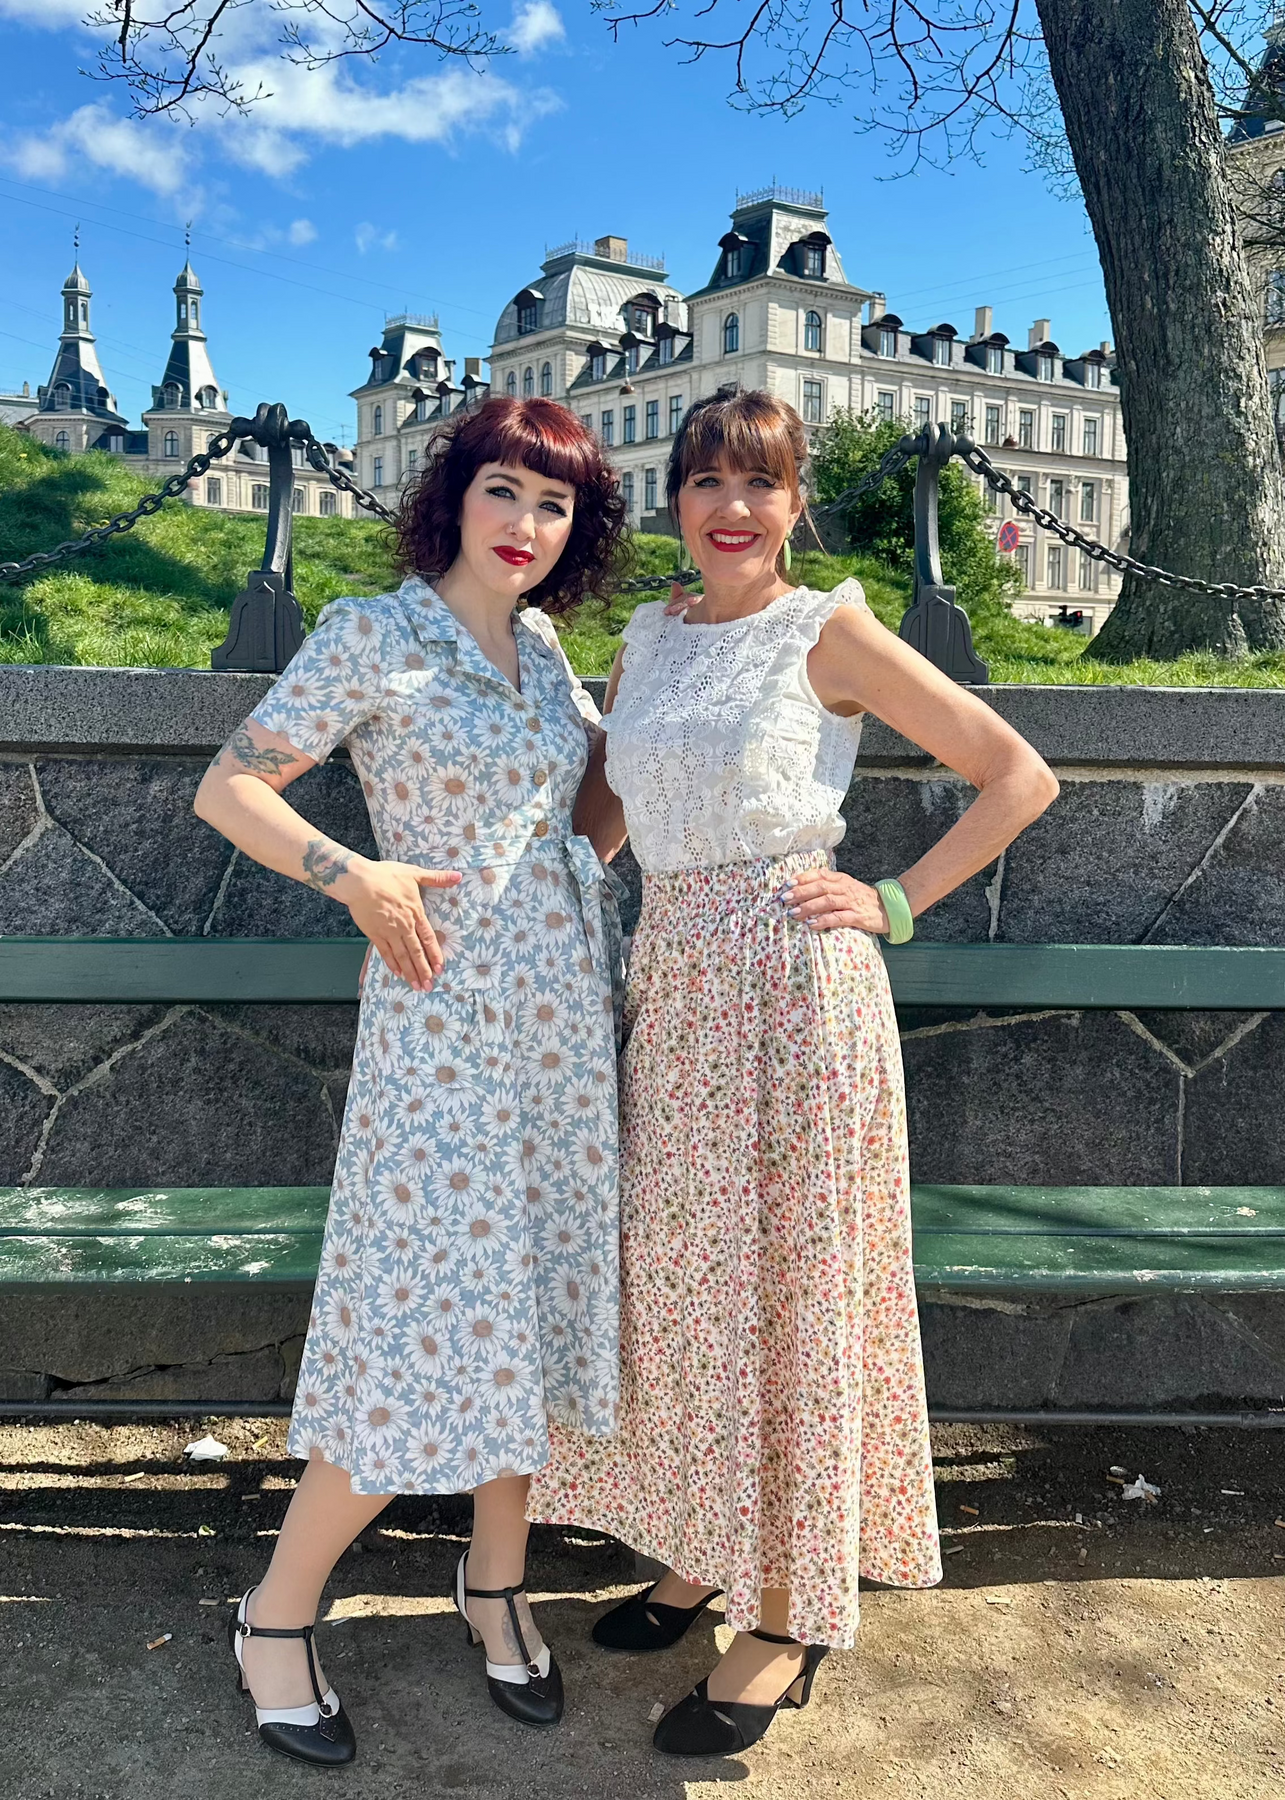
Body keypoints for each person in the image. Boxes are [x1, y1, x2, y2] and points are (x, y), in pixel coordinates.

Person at [529, 386, 1060, 1758]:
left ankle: (785, 1612)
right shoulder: (651, 636)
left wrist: (894, 901)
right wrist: (520, 898)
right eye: (707, 481)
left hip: (791, 995)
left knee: (788, 1297)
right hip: (675, 989)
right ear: (675, 499)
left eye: (758, 483)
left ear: (794, 502)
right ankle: (704, 1548)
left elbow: (1017, 775)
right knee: (684, 1292)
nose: (732, 507)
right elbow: (607, 810)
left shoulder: (829, 628)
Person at [193, 395, 627, 1765]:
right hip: (441, 1025)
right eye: (506, 490)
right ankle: (275, 1614)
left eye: (554, 505)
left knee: (535, 1299)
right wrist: (355, 874)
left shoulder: (547, 652)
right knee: (415, 1318)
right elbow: (231, 787)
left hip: (561, 1022)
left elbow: (588, 812)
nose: (526, 525)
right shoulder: (373, 634)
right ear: (456, 494)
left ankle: (495, 1583)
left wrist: (638, 758)